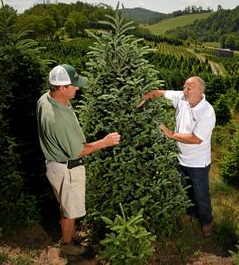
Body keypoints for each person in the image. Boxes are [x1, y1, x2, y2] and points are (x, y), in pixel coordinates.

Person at [36, 64, 121, 256]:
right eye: (74, 86)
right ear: (62, 88)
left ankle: (68, 234)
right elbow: (76, 151)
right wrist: (105, 142)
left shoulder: (46, 98)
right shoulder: (57, 119)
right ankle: (67, 245)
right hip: (67, 170)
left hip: (55, 166)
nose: (78, 88)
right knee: (69, 212)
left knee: (64, 205)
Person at [139, 76, 216, 237]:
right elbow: (161, 93)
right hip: (180, 158)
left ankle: (206, 222)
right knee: (186, 190)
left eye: (189, 88)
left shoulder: (207, 112)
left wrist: (172, 135)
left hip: (198, 163)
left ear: (200, 91)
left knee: (201, 195)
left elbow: (196, 139)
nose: (184, 91)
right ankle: (190, 213)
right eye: (184, 87)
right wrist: (148, 95)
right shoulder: (182, 97)